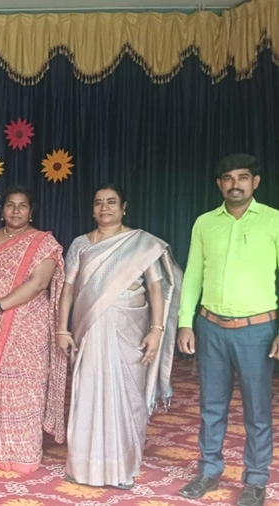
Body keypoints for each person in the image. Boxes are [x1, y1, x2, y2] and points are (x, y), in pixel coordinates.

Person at [57, 184, 181, 489]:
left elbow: (156, 287)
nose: (104, 207)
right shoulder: (80, 245)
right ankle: (83, 467)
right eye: (98, 202)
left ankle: (122, 468)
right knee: (88, 392)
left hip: (131, 330)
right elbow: (68, 288)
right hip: (89, 330)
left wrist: (157, 330)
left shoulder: (141, 244)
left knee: (128, 395)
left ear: (124, 207)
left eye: (111, 202)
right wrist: (62, 328)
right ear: (92, 209)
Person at [177, 154, 279, 506]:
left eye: (243, 177)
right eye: (228, 178)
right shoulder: (205, 223)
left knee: (257, 411)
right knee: (212, 406)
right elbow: (193, 274)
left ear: (255, 182)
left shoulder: (274, 220)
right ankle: (208, 471)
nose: (235, 184)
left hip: (257, 330)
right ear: (220, 184)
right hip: (211, 328)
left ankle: (256, 479)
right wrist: (186, 322)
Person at [0, 186, 66, 474]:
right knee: (0, 383)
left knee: (26, 385)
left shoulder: (43, 242)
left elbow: (39, 283)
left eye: (22, 205)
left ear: (31, 211)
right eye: (10, 205)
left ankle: (24, 449)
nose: (15, 210)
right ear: (2, 210)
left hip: (28, 325)